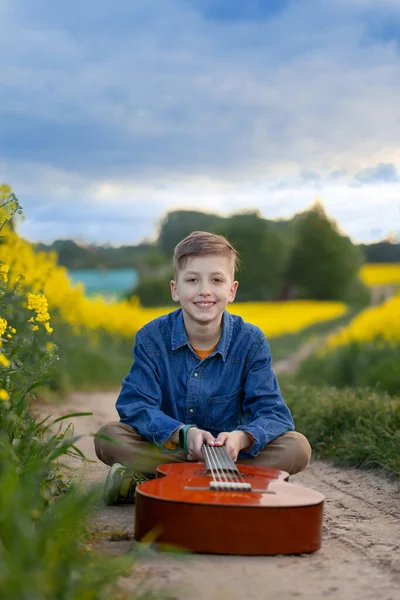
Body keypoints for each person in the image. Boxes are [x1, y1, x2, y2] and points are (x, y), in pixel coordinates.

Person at [94, 231, 311, 505]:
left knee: (297, 447)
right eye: (193, 280)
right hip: (173, 449)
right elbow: (135, 405)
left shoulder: (251, 341)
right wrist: (184, 434)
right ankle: (237, 479)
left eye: (217, 280)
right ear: (176, 289)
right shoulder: (152, 338)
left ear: (231, 291)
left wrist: (241, 438)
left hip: (232, 454)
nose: (204, 290)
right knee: (109, 437)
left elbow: (274, 413)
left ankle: (155, 478)